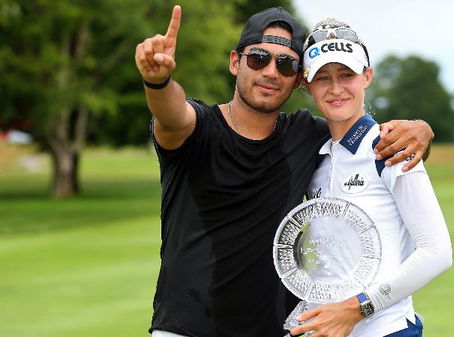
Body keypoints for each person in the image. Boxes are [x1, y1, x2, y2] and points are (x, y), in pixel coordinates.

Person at [134, 6, 435, 337]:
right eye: (259, 57)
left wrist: (421, 129)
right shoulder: (198, 129)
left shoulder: (308, 136)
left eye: (287, 64)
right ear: (236, 62)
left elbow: (360, 133)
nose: (271, 71)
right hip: (186, 329)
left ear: (296, 81)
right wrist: (157, 81)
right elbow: (172, 113)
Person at [289, 18, 453, 337]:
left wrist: (358, 307)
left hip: (388, 330)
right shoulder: (317, 156)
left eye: (346, 75)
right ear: (306, 84)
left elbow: (437, 253)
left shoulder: (389, 146)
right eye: (323, 78)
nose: (336, 89)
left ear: (367, 76)